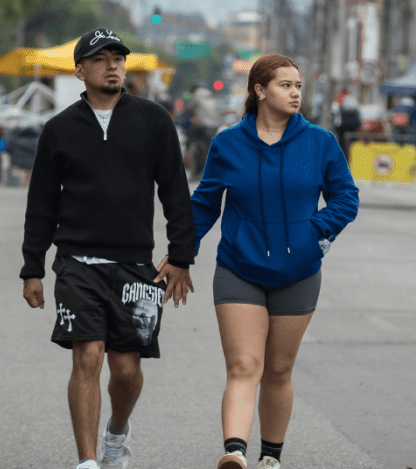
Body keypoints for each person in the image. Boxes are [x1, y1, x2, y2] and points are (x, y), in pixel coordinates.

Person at [19, 27, 196, 469]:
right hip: (77, 264)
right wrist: (32, 268)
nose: (112, 65)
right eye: (100, 58)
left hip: (136, 265)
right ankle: (87, 461)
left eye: (118, 58)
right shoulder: (59, 129)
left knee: (127, 370)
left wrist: (181, 256)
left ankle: (117, 431)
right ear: (80, 70)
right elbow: (41, 204)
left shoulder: (154, 120)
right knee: (88, 355)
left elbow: (175, 192)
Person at [190, 54, 359, 469]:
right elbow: (205, 204)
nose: (295, 93)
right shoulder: (228, 144)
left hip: (299, 272)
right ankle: (235, 452)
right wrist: (181, 252)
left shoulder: (320, 142)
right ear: (260, 90)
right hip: (238, 269)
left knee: (279, 371)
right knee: (244, 365)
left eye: (298, 85)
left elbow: (346, 197)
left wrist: (314, 231)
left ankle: (270, 456)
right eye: (285, 85)